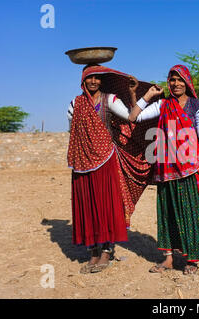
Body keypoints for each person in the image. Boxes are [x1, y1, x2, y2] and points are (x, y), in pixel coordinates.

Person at [123, 65, 199, 275]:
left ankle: (192, 259)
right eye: (172, 80)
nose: (175, 84)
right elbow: (133, 117)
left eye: (180, 80)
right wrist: (147, 95)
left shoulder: (198, 107)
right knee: (167, 213)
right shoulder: (163, 105)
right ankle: (168, 259)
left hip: (190, 169)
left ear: (187, 82)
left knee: (191, 213)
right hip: (166, 169)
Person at [67, 64, 157, 274]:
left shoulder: (110, 100)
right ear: (83, 80)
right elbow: (72, 132)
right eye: (90, 78)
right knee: (88, 206)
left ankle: (106, 250)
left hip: (106, 160)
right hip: (82, 163)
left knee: (105, 205)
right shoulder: (74, 104)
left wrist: (138, 95)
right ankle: (93, 251)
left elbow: (131, 117)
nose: (94, 82)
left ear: (102, 81)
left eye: (98, 78)